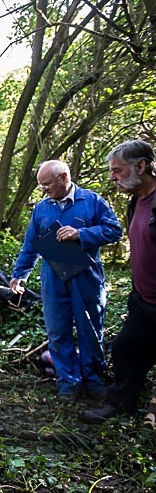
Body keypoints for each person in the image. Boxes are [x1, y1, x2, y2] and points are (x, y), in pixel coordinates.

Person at [10, 160, 122, 404]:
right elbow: (31, 244)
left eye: (47, 184)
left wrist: (81, 234)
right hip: (53, 277)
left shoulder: (92, 201)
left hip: (86, 276)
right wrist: (20, 274)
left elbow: (114, 230)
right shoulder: (41, 208)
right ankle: (68, 384)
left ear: (63, 177)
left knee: (90, 329)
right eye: (41, 185)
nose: (44, 190)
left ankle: (94, 382)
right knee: (57, 330)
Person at [82, 139, 156, 422]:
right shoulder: (137, 201)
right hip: (143, 299)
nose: (112, 177)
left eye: (118, 170)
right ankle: (120, 405)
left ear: (141, 166)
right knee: (125, 348)